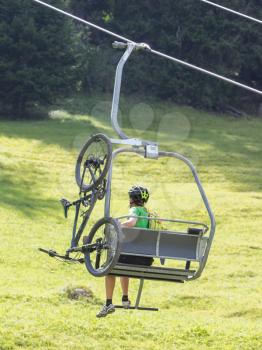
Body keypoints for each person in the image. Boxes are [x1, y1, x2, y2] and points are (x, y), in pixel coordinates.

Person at [96, 185, 152, 318]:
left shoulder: (134, 210)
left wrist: (117, 224)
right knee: (122, 265)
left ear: (132, 199)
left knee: (109, 268)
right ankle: (125, 298)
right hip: (144, 259)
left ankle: (108, 303)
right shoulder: (148, 214)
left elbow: (132, 222)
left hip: (129, 256)